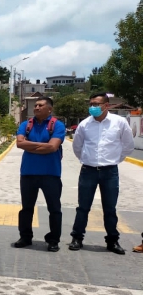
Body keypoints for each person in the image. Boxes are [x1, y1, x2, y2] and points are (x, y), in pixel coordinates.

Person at [69, 92, 135, 254]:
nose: (93, 107)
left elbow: (128, 146)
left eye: (96, 104)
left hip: (110, 172)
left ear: (106, 105)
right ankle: (77, 238)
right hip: (88, 171)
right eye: (91, 104)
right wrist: (88, 160)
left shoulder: (119, 123)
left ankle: (112, 241)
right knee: (83, 207)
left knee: (110, 208)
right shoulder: (84, 124)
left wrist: (113, 161)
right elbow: (77, 147)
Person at [14, 97, 66, 252]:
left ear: (49, 109)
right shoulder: (26, 125)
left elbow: (53, 147)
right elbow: (19, 143)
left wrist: (29, 145)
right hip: (28, 173)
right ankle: (25, 237)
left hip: (51, 174)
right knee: (26, 208)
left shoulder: (57, 125)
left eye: (40, 105)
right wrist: (44, 146)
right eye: (35, 105)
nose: (36, 107)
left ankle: (53, 239)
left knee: (54, 209)